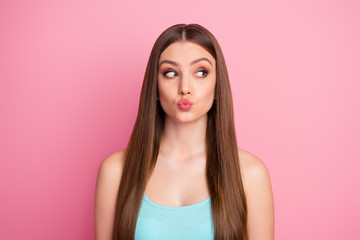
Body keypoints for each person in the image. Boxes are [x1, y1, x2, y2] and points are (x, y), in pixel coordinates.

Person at [94, 23, 274, 240]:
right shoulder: (116, 171)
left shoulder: (251, 175)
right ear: (155, 87)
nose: (184, 87)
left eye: (201, 72)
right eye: (170, 73)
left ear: (218, 86)